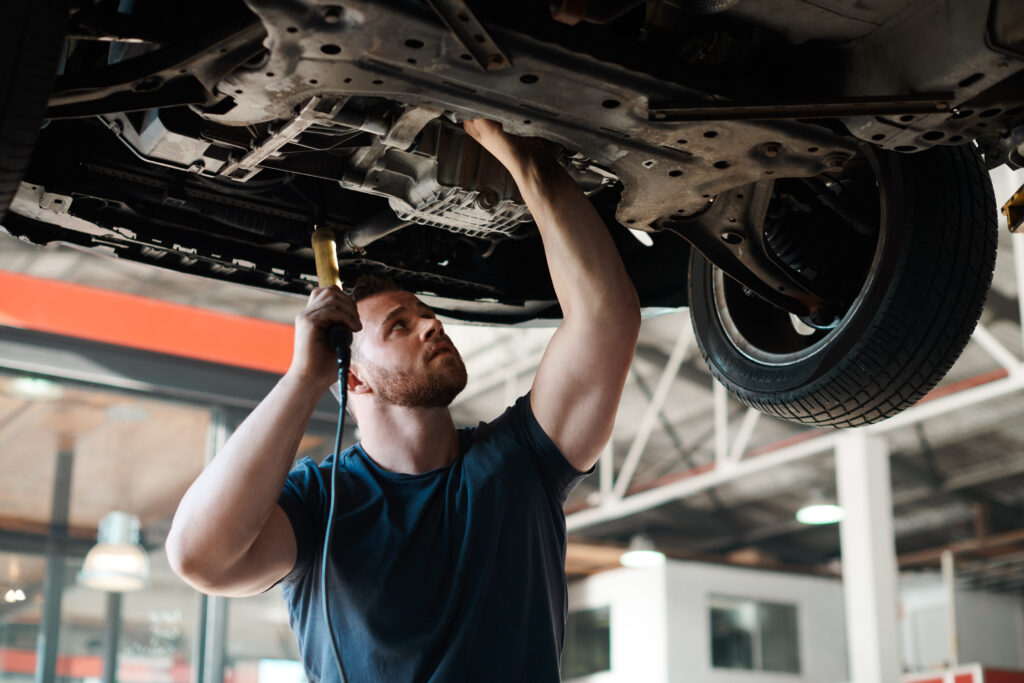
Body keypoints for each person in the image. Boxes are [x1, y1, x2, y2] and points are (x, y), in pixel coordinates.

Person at [165, 119, 641, 682]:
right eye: (399, 326)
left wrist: (530, 164)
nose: (431, 324)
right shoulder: (320, 502)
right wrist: (303, 377)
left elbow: (604, 318)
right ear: (355, 380)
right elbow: (200, 557)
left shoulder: (521, 463)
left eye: (427, 315)